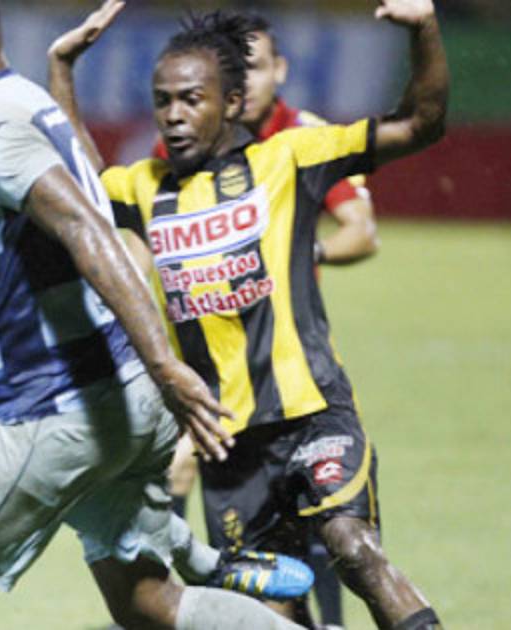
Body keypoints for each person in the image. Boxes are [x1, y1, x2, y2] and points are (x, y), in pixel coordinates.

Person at [0, 0, 313, 627]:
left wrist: (167, 364)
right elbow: (29, 225)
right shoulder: (24, 100)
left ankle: (202, 558)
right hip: (127, 396)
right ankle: (213, 567)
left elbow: (85, 230)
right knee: (148, 601)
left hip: (64, 405)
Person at [50, 1, 448, 628]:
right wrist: (62, 66)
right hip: (227, 446)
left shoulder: (291, 158)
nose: (173, 115)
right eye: (162, 101)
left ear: (232, 102)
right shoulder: (146, 185)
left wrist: (424, 28)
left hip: (311, 415)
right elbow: (77, 188)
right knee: (270, 611)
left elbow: (421, 123)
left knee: (353, 549)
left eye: (191, 99)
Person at [144, 14, 377, 628]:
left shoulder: (303, 137)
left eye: (257, 67)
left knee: (320, 506)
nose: (246, 80)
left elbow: (362, 232)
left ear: (279, 72)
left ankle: (325, 619)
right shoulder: (187, 143)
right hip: (214, 360)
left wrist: (303, 250)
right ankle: (168, 600)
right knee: (189, 474)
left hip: (290, 350)